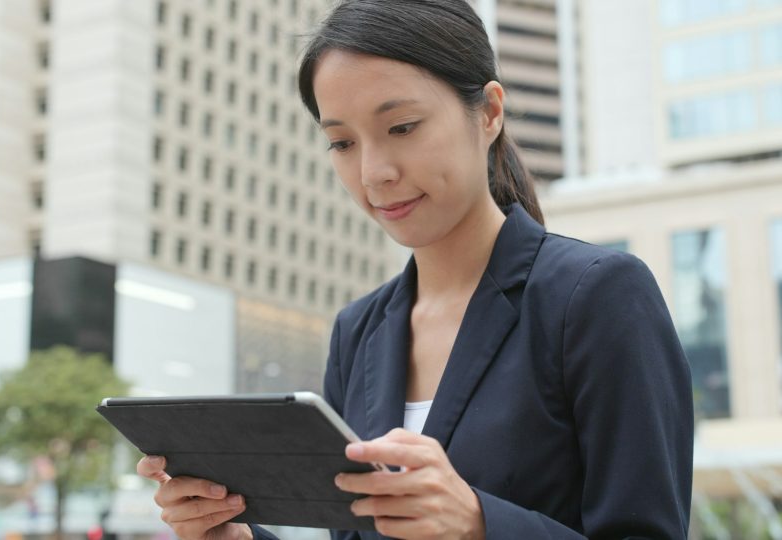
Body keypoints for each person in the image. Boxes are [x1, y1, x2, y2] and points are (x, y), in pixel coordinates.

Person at [136, 1, 694, 538]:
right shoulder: (359, 331)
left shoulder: (596, 296)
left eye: (401, 127)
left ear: (490, 112)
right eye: (341, 142)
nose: (374, 172)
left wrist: (480, 523)